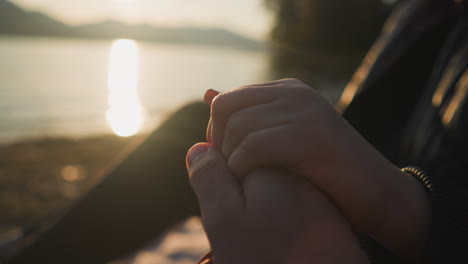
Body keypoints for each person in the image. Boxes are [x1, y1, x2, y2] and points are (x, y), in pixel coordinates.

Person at [7, 0, 468, 263]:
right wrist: (318, 137)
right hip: (376, 194)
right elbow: (374, 114)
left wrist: (398, 203)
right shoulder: (429, 12)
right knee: (203, 124)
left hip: (396, 230)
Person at [188, 0, 468, 263]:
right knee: (197, 121)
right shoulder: (423, 9)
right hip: (362, 205)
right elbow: (371, 117)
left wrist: (399, 205)